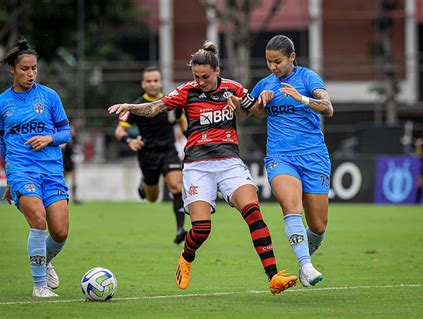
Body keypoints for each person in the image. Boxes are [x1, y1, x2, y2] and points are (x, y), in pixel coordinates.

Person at [109, 41, 298, 295]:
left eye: (205, 77)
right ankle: (186, 257)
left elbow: (254, 112)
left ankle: (273, 276)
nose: (200, 81)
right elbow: (156, 108)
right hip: (198, 166)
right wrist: (130, 107)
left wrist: (246, 103)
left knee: (253, 212)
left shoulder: (233, 88)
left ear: (217, 71)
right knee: (201, 229)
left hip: (229, 162)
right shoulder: (187, 91)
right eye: (196, 76)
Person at [228, 35, 334, 287]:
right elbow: (248, 113)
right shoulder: (265, 84)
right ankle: (306, 268)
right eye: (269, 62)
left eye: (278, 61)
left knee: (318, 226)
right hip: (280, 156)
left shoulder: (308, 78)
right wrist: (241, 104)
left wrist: (302, 98)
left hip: (314, 155)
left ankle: (303, 258)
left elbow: (328, 108)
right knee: (291, 206)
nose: (273, 67)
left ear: (292, 57)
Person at [0, 39, 71, 298]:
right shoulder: (0, 104)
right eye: (25, 69)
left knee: (60, 232)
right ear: (12, 70)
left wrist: (50, 138)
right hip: (21, 169)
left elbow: (66, 132)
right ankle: (39, 286)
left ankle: (45, 261)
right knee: (38, 220)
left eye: (34, 68)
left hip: (51, 169)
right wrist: (9, 178)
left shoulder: (49, 96)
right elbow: (4, 143)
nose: (31, 74)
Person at [114, 66, 188, 244]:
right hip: (147, 155)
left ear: (161, 82)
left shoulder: (172, 104)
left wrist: (194, 142)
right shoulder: (136, 106)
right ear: (143, 84)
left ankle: (180, 229)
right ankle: (144, 185)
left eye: (155, 80)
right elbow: (119, 131)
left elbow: (183, 125)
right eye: (149, 81)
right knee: (152, 197)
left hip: (169, 151)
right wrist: (129, 141)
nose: (152, 84)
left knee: (176, 186)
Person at [61, 118, 81, 204]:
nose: (72, 131)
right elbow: (62, 147)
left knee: (74, 180)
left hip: (70, 162)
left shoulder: (73, 140)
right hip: (64, 162)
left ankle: (75, 197)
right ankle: (62, 197)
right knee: (62, 181)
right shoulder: (65, 139)